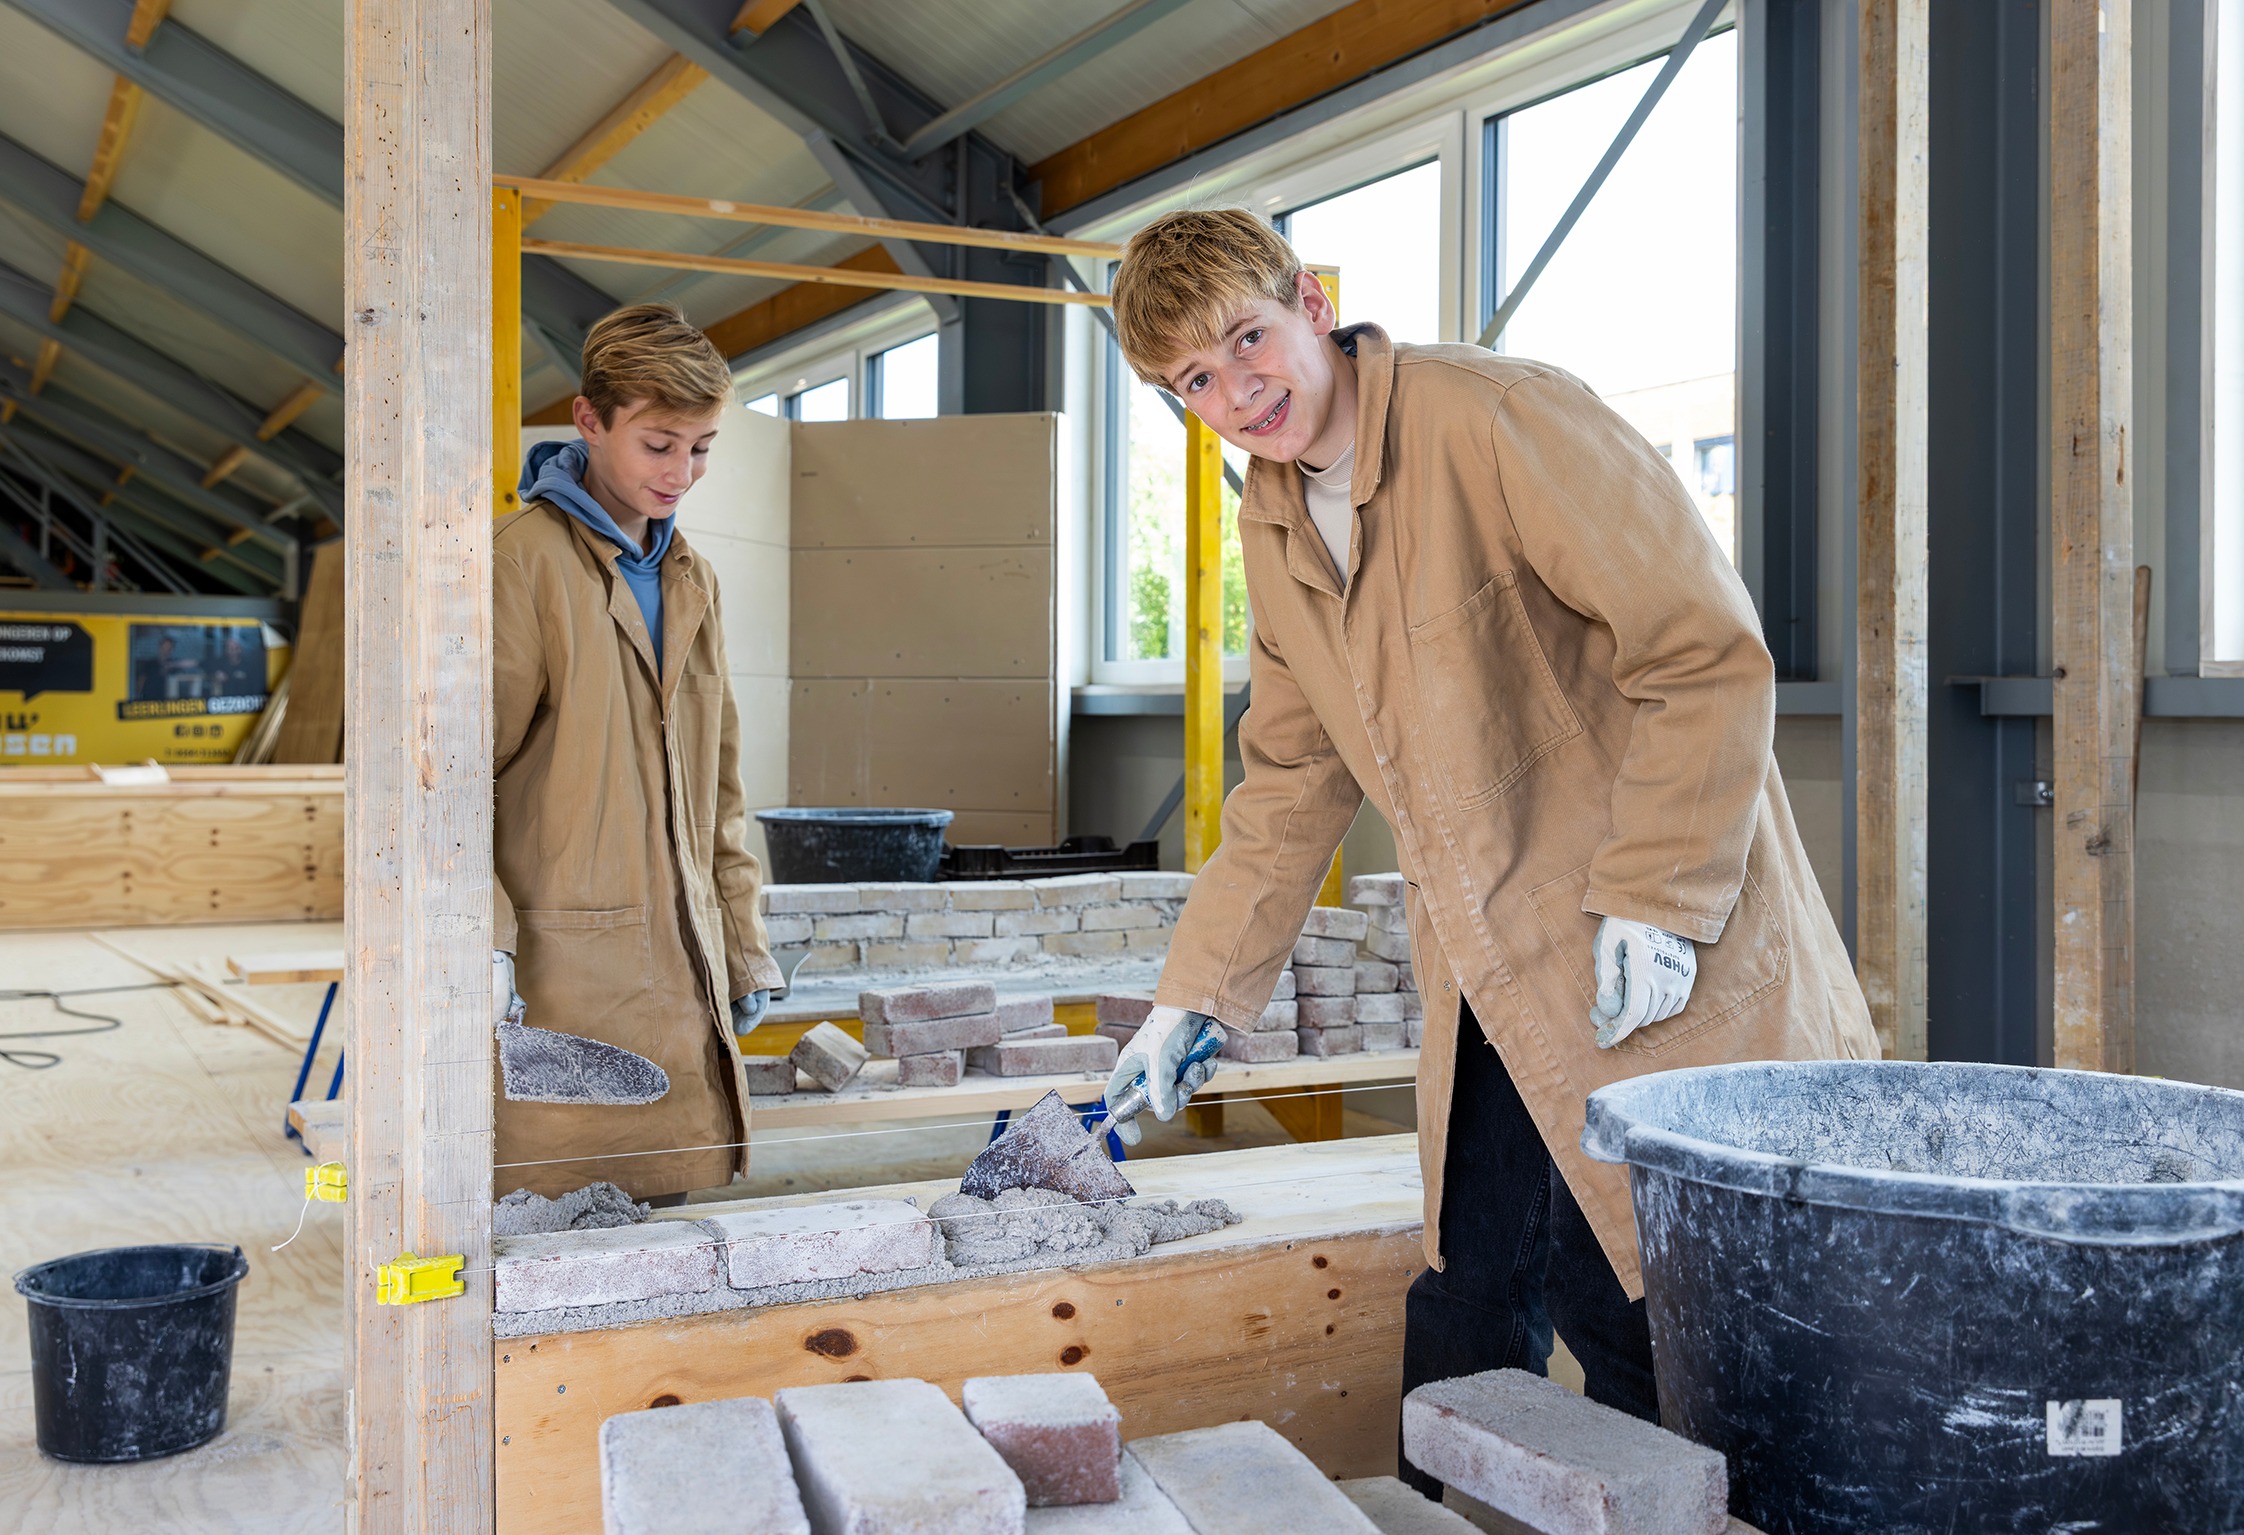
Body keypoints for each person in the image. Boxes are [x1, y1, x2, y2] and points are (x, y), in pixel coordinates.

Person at [1099, 210, 1877, 1493]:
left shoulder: (1503, 420)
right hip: (1491, 968)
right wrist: (1197, 994)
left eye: (1247, 340)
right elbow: (1292, 777)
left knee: (1646, 1306)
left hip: (1644, 948)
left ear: (1310, 304)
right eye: (1194, 380)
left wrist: (1660, 896)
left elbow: (1704, 653)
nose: (1237, 392)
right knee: (1467, 1289)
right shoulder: (1276, 522)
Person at [491, 302, 782, 1205]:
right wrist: (481, 945)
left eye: (701, 448)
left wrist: (742, 947)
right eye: (659, 444)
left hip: (684, 972)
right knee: (564, 1211)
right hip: (562, 980)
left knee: (668, 1224)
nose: (681, 473)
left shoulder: (692, 577)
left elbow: (718, 789)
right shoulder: (520, 565)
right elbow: (449, 788)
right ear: (589, 419)